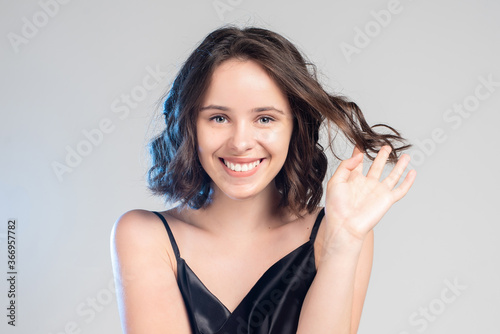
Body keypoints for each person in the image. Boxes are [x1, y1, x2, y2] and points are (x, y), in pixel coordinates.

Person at [110, 25, 416, 334]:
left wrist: (344, 244)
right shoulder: (145, 236)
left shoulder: (339, 232)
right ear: (189, 125)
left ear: (295, 127)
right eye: (219, 118)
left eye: (265, 119)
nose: (240, 142)